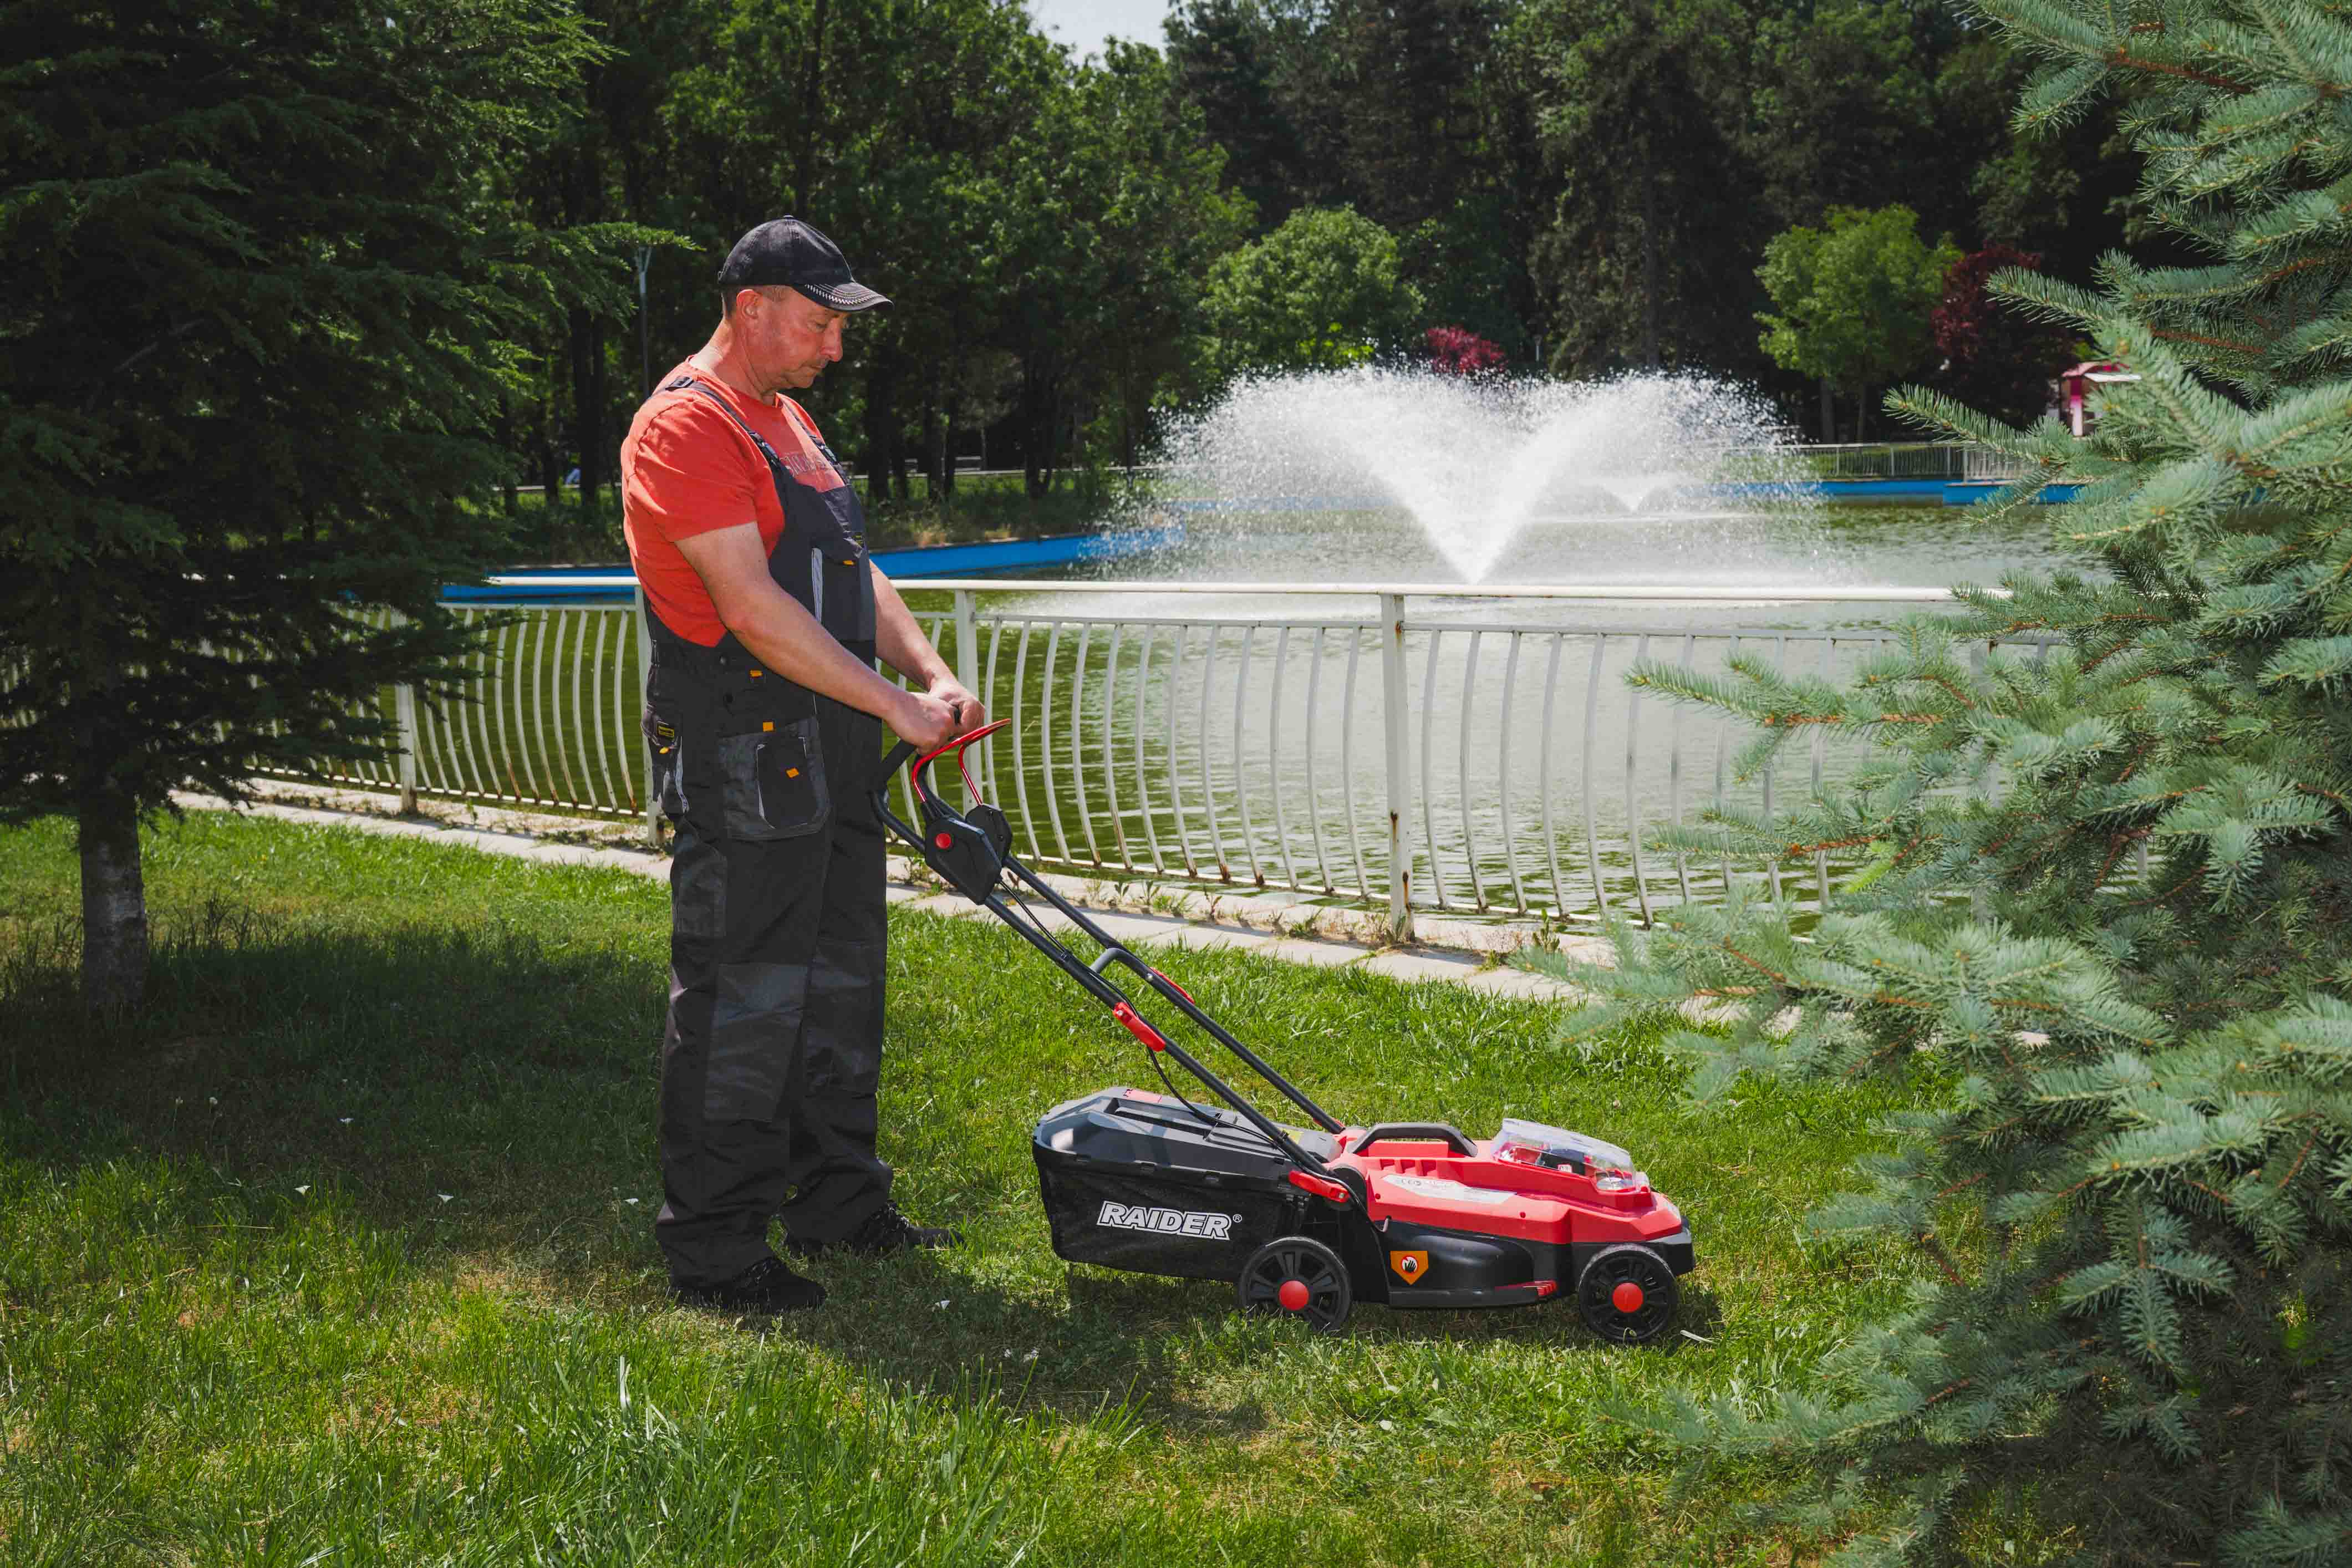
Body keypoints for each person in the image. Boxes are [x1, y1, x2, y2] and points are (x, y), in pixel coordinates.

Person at [619, 217, 982, 1315]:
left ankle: (838, 1201)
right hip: (745, 748)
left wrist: (929, 671)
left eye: (839, 328)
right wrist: (896, 709)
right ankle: (716, 1251)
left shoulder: (790, 420)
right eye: (821, 324)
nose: (835, 347)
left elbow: (855, 575)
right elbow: (752, 608)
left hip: (831, 745)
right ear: (751, 309)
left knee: (839, 983)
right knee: (744, 998)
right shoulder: (687, 428)